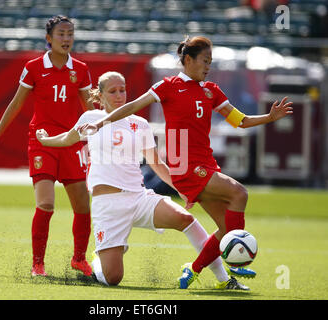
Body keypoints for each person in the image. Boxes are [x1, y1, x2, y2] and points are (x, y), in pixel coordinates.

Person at [78, 36, 293, 289]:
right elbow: (134, 105)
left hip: (206, 165)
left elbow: (241, 121)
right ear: (188, 60)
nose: (208, 66)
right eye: (205, 60)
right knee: (239, 193)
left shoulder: (211, 90)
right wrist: (102, 122)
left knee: (224, 228)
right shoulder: (167, 86)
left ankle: (198, 270)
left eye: (210, 62)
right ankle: (235, 262)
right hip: (186, 167)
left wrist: (270, 116)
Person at [36, 71, 249, 289]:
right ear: (99, 96)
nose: (119, 95)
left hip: (139, 197)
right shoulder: (91, 119)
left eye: (122, 89)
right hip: (108, 206)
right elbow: (67, 138)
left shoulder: (139, 123)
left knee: (186, 220)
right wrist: (45, 140)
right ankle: (99, 259)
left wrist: (182, 190)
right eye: (112, 91)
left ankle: (224, 280)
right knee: (113, 278)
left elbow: (157, 164)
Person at [0, 15, 95, 277]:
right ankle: (37, 264)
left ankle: (79, 259)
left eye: (70, 34)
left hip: (71, 141)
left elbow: (89, 108)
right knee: (46, 204)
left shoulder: (81, 69)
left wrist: (104, 132)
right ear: (49, 38)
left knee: (83, 206)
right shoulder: (34, 67)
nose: (66, 38)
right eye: (61, 34)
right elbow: (16, 104)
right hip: (42, 141)